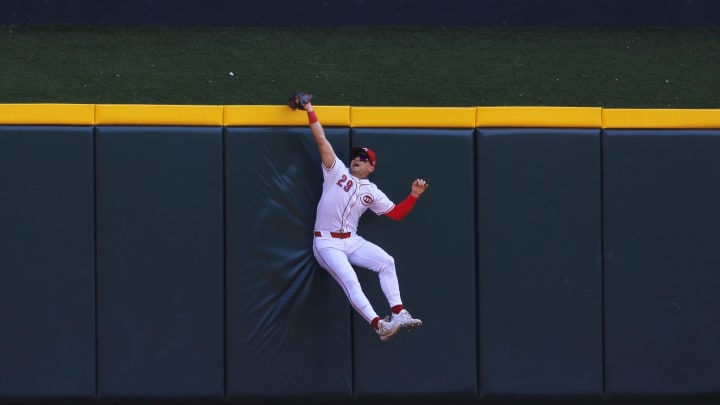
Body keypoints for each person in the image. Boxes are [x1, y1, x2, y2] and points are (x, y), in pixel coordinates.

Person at [292, 93, 429, 342]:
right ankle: (379, 325)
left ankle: (398, 312)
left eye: (364, 159)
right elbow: (321, 140)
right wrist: (309, 108)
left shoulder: (372, 191)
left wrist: (414, 195)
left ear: (371, 168)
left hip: (352, 241)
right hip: (326, 243)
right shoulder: (336, 172)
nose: (357, 159)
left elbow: (396, 214)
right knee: (351, 281)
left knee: (387, 261)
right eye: (356, 156)